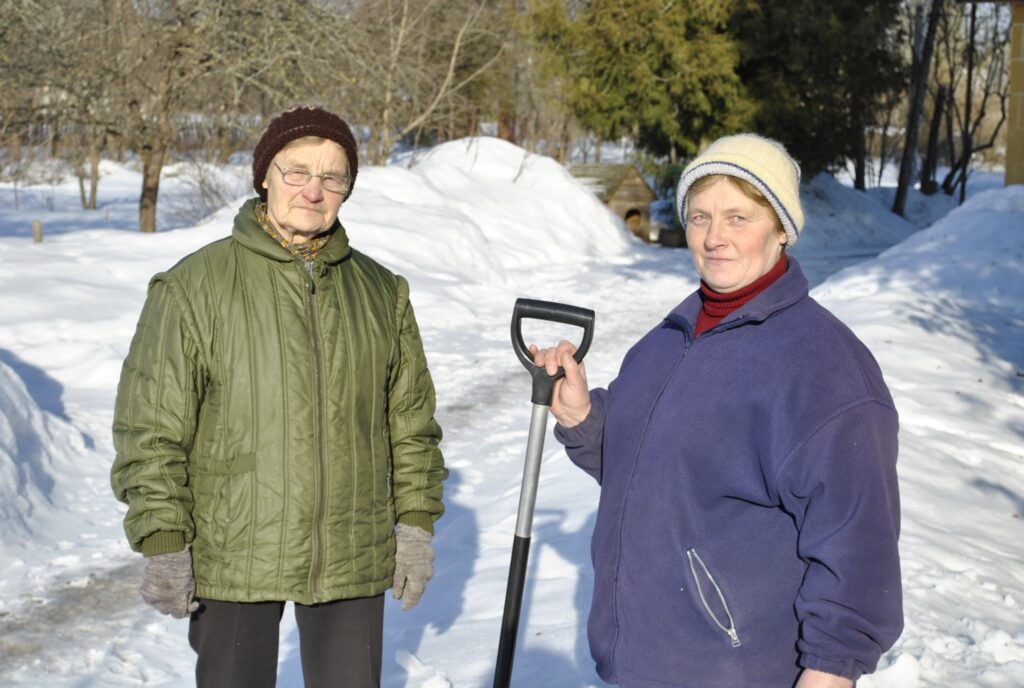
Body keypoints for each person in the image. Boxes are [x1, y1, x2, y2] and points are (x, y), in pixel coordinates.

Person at [531, 134, 902, 688]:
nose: (714, 237)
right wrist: (583, 416)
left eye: (739, 217)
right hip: (640, 663)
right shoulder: (666, 340)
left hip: (740, 669)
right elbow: (651, 467)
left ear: (781, 228)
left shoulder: (824, 367)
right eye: (700, 216)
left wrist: (829, 674)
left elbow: (857, 547)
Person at [111, 106, 447, 688]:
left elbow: (411, 425)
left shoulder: (381, 293)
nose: (313, 191)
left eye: (332, 177)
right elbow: (150, 429)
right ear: (265, 174)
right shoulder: (194, 287)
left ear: (347, 189)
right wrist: (163, 538)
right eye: (296, 171)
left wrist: (414, 525)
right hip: (233, 550)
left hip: (352, 550)